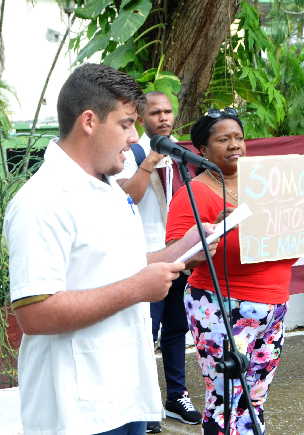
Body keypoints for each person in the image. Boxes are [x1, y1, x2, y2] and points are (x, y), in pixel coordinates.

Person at [5, 64, 214, 435]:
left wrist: (183, 249)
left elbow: (123, 267)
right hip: (78, 409)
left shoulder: (107, 188)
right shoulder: (42, 200)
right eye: (125, 124)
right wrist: (137, 290)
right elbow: (35, 313)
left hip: (125, 393)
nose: (134, 137)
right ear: (89, 121)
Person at [166, 109, 304, 434]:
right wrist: (213, 236)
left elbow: (289, 245)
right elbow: (177, 256)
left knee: (255, 399)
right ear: (202, 150)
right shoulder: (193, 194)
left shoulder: (267, 188)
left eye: (238, 137)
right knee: (226, 400)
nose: (235, 145)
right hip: (220, 306)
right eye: (223, 139)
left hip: (273, 306)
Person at [116, 92, 201, 432]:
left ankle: (176, 397)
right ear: (140, 117)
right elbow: (127, 197)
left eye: (168, 112)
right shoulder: (132, 152)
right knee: (146, 331)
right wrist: (150, 160)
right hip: (145, 256)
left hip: (177, 251)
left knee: (177, 328)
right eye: (155, 112)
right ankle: (145, 404)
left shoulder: (181, 154)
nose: (164, 118)